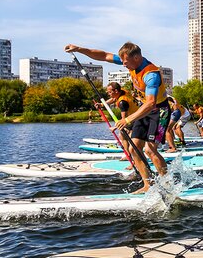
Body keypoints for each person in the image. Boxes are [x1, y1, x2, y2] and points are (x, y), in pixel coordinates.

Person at [64, 42, 170, 192]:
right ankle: (148, 184)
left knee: (150, 150)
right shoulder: (130, 61)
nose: (124, 65)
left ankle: (167, 184)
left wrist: (127, 120)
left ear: (137, 57)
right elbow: (104, 56)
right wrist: (79, 50)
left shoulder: (151, 75)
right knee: (134, 150)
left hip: (159, 111)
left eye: (126, 62)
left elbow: (151, 103)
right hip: (143, 109)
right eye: (123, 62)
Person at [104, 82, 138, 154]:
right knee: (122, 135)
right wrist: (102, 104)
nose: (108, 94)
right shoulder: (122, 91)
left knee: (129, 136)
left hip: (136, 119)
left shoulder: (122, 102)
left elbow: (123, 120)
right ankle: (128, 154)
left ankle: (134, 156)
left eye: (110, 92)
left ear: (116, 91)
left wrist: (115, 127)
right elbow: (113, 99)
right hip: (131, 118)